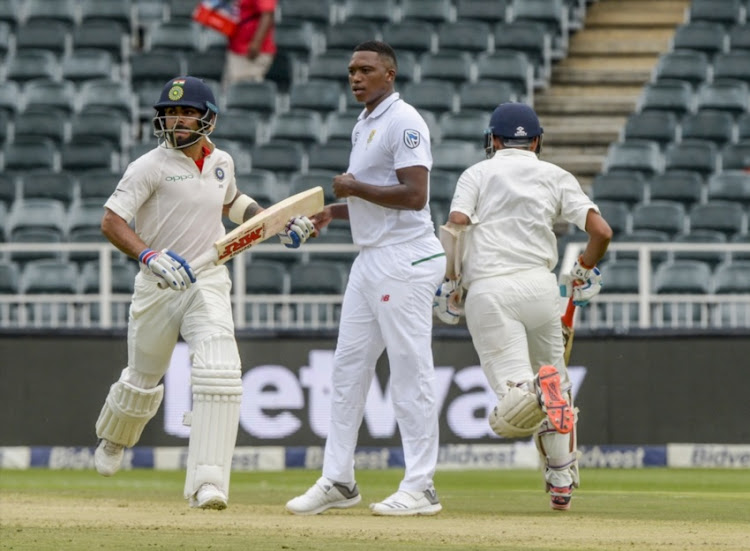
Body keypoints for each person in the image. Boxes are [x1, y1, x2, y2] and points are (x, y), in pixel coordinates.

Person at [92, 75, 314, 510]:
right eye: (171, 113)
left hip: (207, 279)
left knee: (221, 373)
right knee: (142, 380)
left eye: (187, 112)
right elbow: (111, 221)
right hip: (159, 283)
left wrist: (279, 221)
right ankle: (114, 438)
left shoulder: (221, 162)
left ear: (207, 118)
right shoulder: (149, 166)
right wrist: (150, 256)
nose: (177, 119)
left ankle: (207, 483)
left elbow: (233, 205)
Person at [285, 41, 446, 517]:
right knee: (346, 371)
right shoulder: (366, 122)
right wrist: (335, 211)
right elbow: (374, 197)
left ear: (390, 74)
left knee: (409, 370)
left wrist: (353, 188)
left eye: (366, 70)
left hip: (406, 257)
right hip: (371, 257)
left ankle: (421, 487)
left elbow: (415, 195)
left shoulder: (404, 121)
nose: (356, 77)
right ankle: (339, 479)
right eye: (352, 70)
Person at [434, 102, 611, 511]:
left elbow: (456, 223)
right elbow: (601, 231)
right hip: (540, 287)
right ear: (536, 141)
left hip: (492, 289)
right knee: (558, 385)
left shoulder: (477, 173)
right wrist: (584, 268)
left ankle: (535, 389)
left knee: (513, 404)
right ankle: (561, 479)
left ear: (493, 141)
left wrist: (450, 281)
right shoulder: (555, 175)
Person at [223, 0, 277, 88]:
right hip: (236, 47)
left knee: (243, 92)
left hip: (251, 52)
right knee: (229, 90)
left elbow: (268, 15)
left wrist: (256, 44)